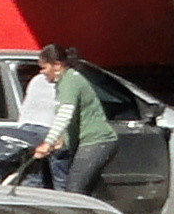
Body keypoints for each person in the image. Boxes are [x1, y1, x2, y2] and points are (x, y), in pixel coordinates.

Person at [25, 44, 118, 196]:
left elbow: (65, 114)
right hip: (91, 143)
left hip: (96, 142)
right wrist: (62, 139)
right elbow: (76, 116)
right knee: (88, 192)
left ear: (57, 65)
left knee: (74, 191)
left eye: (44, 67)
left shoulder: (70, 82)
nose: (42, 72)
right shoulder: (64, 81)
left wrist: (48, 142)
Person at [12, 55, 62, 188]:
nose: (41, 71)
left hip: (26, 129)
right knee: (61, 179)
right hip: (50, 128)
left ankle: (32, 205)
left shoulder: (36, 80)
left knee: (32, 178)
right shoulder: (67, 81)